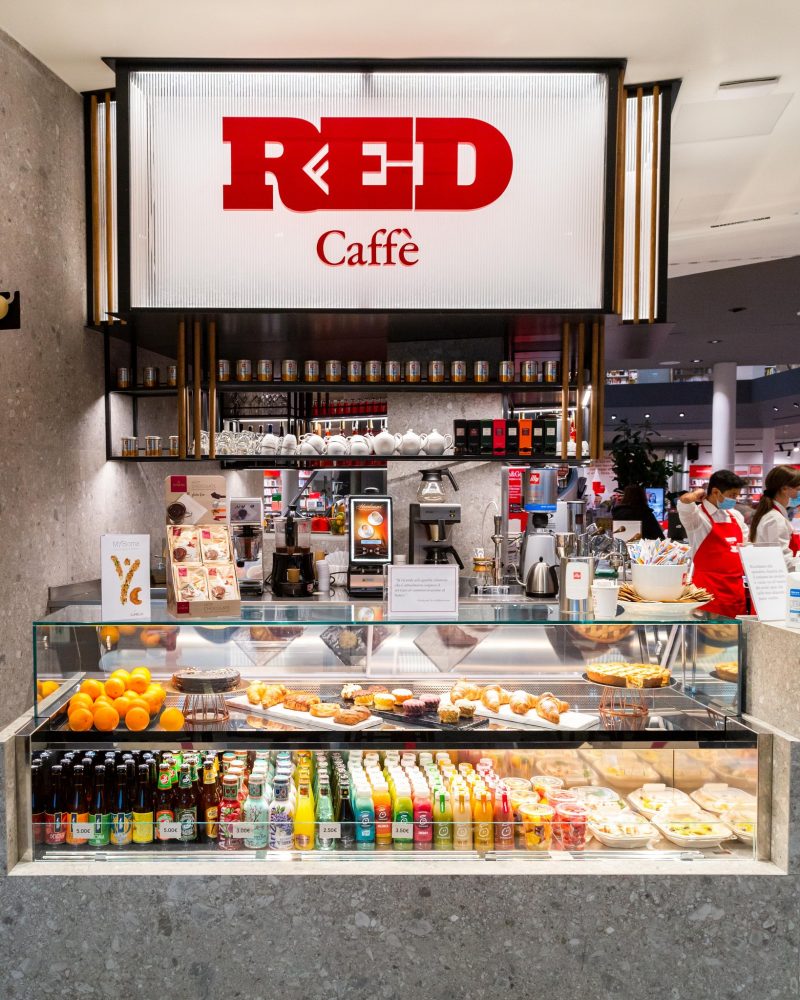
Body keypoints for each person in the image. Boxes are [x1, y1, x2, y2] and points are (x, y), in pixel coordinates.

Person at [678, 469, 747, 618]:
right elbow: (684, 502)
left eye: (737, 495)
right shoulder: (697, 518)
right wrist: (696, 494)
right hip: (707, 593)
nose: (735, 499)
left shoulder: (736, 516)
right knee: (707, 633)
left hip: (735, 592)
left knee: (737, 633)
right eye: (732, 495)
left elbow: (747, 547)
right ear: (715, 492)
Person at [749, 465, 800, 569]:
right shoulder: (775, 519)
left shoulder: (775, 515)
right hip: (779, 576)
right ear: (784, 489)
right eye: (798, 489)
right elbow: (782, 560)